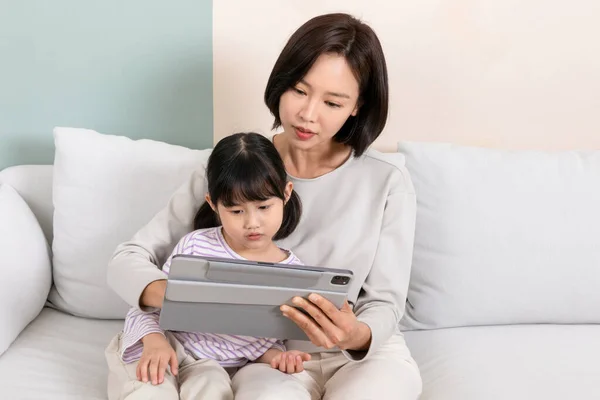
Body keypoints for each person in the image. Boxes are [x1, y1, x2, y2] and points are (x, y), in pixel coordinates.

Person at [107, 12, 422, 400]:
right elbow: (128, 259)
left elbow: (386, 303)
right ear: (280, 85)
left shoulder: (387, 182)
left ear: (357, 107)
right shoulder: (234, 168)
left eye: (333, 102)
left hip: (362, 356)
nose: (308, 114)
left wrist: (357, 334)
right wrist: (175, 296)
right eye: (299, 91)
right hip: (269, 358)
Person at [105, 132, 311, 400]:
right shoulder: (196, 247)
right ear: (213, 203)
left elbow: (256, 343)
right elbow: (151, 307)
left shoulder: (293, 273)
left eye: (263, 207)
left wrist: (282, 358)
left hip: (213, 369)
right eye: (237, 211)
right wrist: (154, 340)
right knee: (147, 388)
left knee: (211, 385)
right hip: (166, 344)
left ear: (286, 194)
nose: (252, 223)